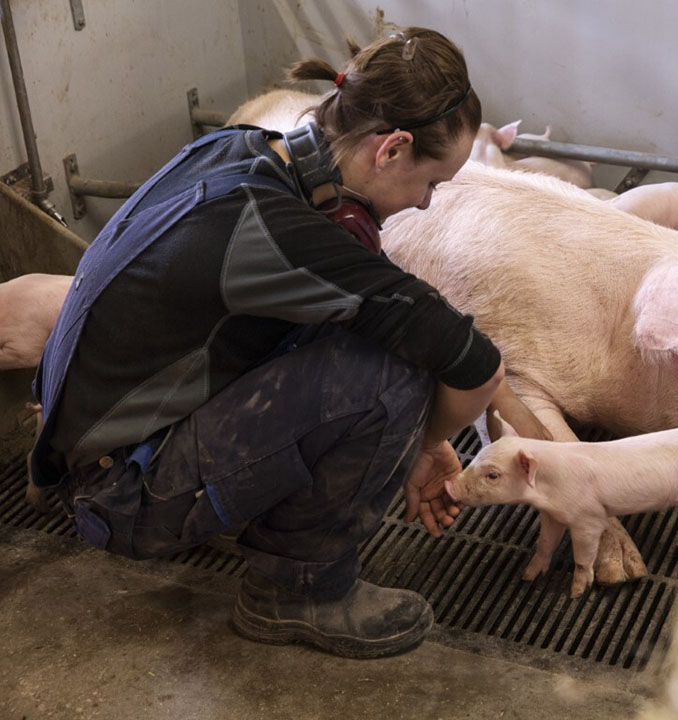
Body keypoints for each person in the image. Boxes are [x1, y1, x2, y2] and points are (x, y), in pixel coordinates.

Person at [29, 27, 548, 660]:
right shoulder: (279, 234)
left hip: (80, 447)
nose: (425, 202)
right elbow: (475, 364)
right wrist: (425, 440)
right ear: (391, 150)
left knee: (352, 329)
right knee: (391, 377)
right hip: (120, 494)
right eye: (431, 182)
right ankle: (300, 592)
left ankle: (231, 512)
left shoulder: (238, 149)